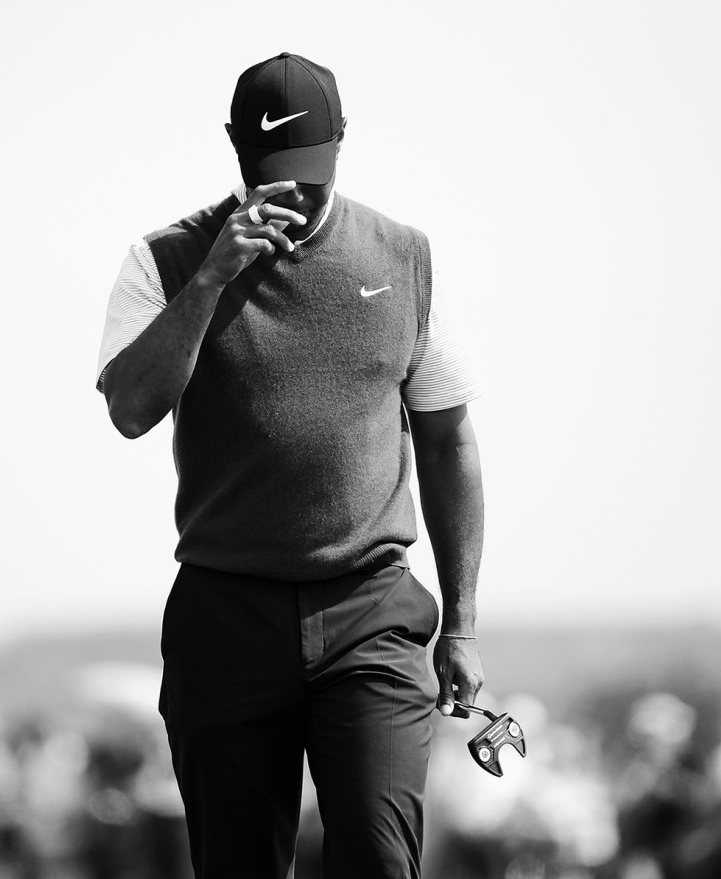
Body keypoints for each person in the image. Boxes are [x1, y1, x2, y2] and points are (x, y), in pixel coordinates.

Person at [95, 52, 488, 878]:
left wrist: (462, 624)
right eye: (274, 172)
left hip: (370, 608)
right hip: (225, 614)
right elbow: (131, 409)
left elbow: (448, 440)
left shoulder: (406, 258)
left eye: (312, 171)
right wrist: (212, 279)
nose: (296, 192)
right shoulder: (163, 261)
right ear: (235, 150)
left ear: (342, 142)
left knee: (381, 865)